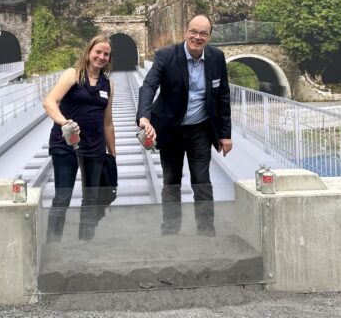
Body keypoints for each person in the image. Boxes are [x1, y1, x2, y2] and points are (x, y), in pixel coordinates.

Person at [136, 14, 232, 236]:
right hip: (171, 130)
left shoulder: (217, 58)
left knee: (202, 183)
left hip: (200, 129)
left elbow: (223, 96)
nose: (197, 37)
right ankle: (171, 233)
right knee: (171, 183)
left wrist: (225, 134)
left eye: (203, 33)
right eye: (193, 32)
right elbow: (148, 86)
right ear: (185, 32)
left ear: (209, 36)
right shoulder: (166, 56)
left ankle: (206, 233)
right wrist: (144, 117)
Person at [42, 35, 116, 241]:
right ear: (89, 52)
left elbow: (108, 123)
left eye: (106, 54)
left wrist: (112, 155)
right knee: (62, 196)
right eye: (98, 52)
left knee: (91, 199)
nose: (101, 57)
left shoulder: (109, 85)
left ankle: (85, 242)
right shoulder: (73, 75)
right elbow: (49, 102)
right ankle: (54, 243)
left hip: (94, 147)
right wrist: (64, 122)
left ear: (109, 58)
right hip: (66, 144)